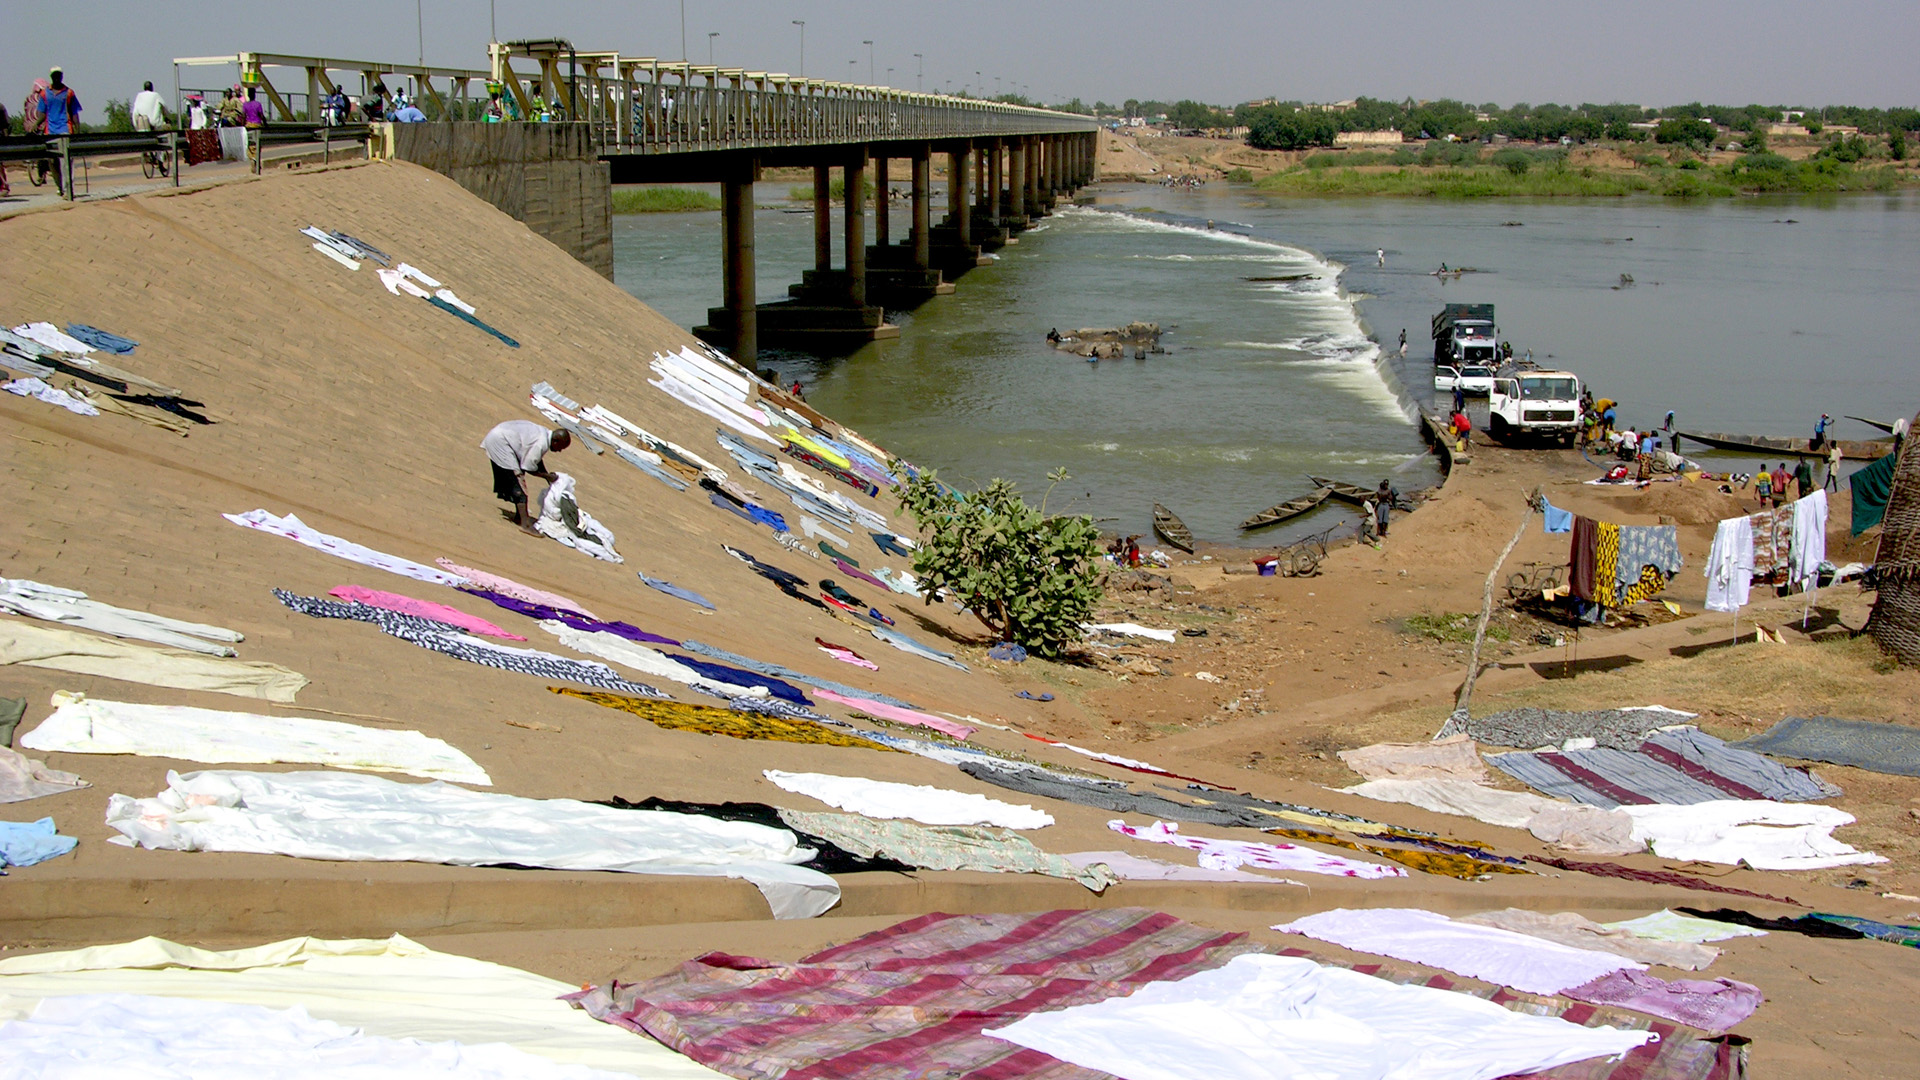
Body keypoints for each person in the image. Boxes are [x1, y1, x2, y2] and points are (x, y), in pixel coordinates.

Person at [481, 420, 570, 534]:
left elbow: (537, 460)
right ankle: (525, 524)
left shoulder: (543, 433)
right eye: (560, 447)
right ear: (556, 441)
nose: (559, 451)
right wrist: (547, 476)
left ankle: (519, 516)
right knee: (519, 486)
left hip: (498, 437)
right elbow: (528, 466)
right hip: (501, 443)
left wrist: (547, 476)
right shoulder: (542, 443)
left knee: (516, 478)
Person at [38, 68, 82, 136]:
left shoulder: (69, 93)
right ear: (51, 77)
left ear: (62, 77)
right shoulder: (44, 93)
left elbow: (74, 113)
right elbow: (42, 113)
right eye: (54, 76)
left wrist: (78, 131)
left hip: (65, 129)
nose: (56, 78)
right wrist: (36, 125)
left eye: (58, 75)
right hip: (50, 131)